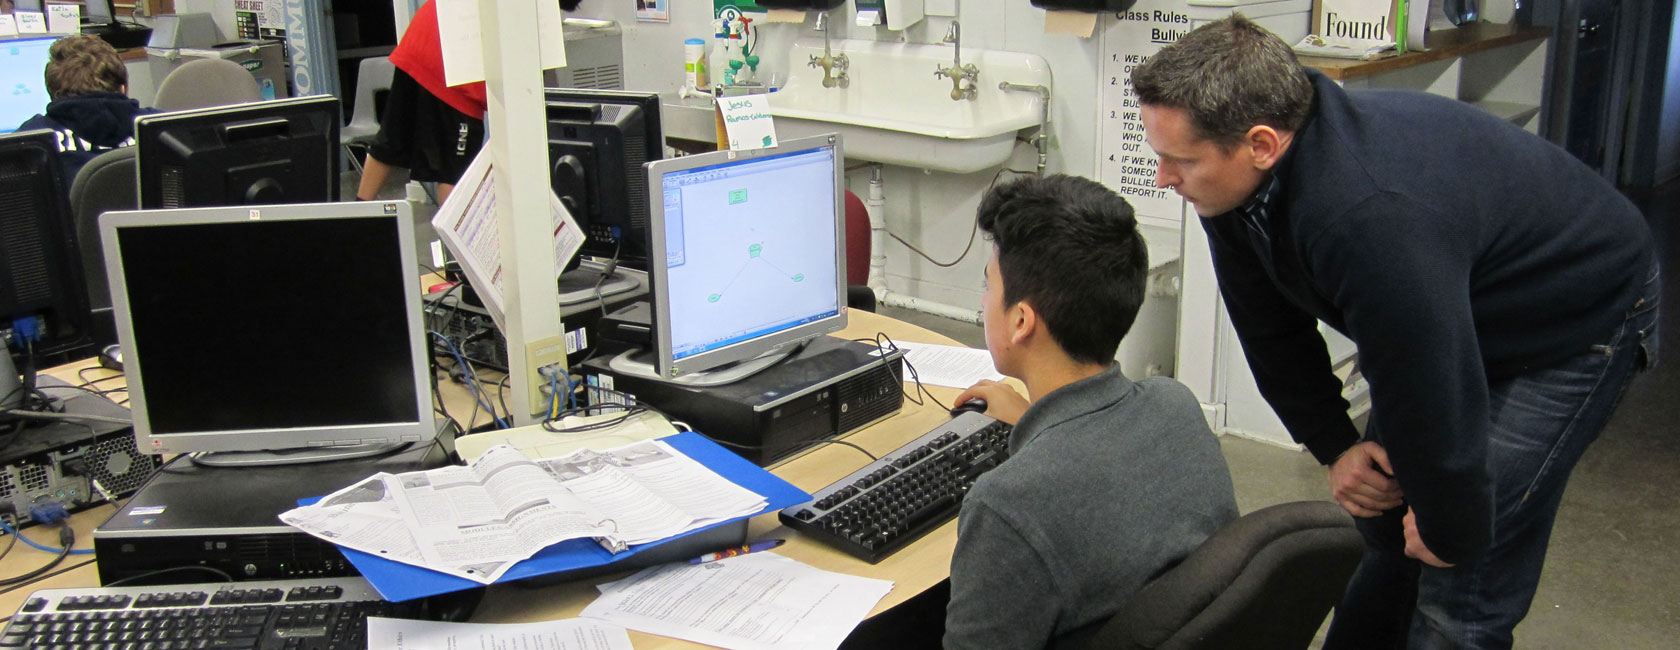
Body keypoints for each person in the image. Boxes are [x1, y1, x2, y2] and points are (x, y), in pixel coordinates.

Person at [1130, 15, 1657, 649]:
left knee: (1458, 582)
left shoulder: (1368, 215)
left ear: (1262, 144)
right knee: (1385, 530)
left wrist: (1447, 521)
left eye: (1177, 160)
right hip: (1455, 310)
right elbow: (1269, 328)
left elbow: (1426, 380)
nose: (1162, 177)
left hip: (1573, 315)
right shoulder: (1232, 183)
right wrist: (1335, 444)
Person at [938, 175, 1238, 649]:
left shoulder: (1007, 504)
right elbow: (1098, 475)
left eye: (988, 285)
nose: (982, 301)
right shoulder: (1175, 407)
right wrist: (1034, 423)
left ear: (1021, 321)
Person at [355, 0, 583, 204]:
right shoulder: (533, 13)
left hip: (422, 35)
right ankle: (454, 248)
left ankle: (358, 213)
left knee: (391, 139)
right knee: (456, 173)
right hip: (453, 64)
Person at [17, 34, 157, 190]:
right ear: (123, 88)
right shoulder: (164, 127)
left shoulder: (30, 141)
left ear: (52, 93)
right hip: (155, 215)